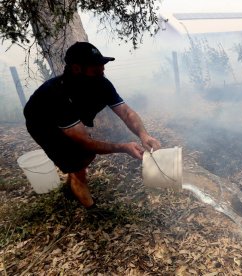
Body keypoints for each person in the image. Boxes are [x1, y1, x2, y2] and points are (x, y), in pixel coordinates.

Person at [24, 41, 161, 210]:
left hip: (71, 121)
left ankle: (72, 182)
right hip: (43, 124)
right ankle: (91, 208)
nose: (102, 70)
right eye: (96, 68)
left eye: (102, 65)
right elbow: (85, 142)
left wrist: (143, 135)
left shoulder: (101, 84)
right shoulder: (57, 94)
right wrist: (123, 147)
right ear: (76, 68)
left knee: (85, 156)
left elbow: (126, 112)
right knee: (77, 160)